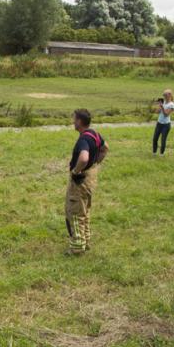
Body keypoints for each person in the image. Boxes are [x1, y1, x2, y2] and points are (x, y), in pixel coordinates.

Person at [66, 109, 108, 255]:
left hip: (80, 181)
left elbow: (83, 158)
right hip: (90, 177)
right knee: (85, 210)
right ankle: (85, 241)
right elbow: (105, 148)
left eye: (74, 119)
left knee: (76, 211)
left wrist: (76, 171)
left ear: (79, 121)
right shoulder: (94, 134)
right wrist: (96, 162)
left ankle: (77, 248)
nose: (73, 121)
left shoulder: (83, 139)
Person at [152, 89, 174, 156]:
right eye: (163, 95)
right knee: (155, 138)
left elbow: (166, 114)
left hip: (166, 125)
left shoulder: (171, 104)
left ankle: (161, 154)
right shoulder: (163, 102)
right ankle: (154, 152)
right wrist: (159, 106)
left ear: (170, 95)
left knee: (163, 140)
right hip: (159, 123)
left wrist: (162, 107)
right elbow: (156, 112)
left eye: (165, 95)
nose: (164, 96)